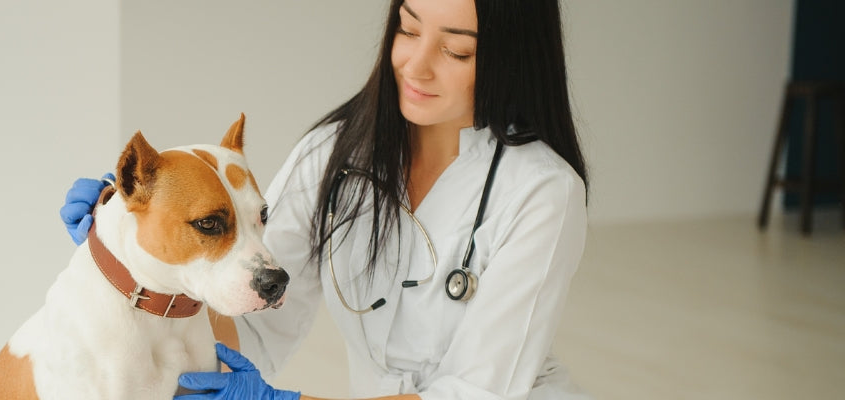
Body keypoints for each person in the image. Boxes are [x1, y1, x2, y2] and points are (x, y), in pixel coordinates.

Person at [61, 0, 591, 399]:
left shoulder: (543, 191)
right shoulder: (334, 153)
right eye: (407, 29)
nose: (416, 65)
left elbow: (477, 392)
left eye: (457, 50)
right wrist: (140, 257)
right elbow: (253, 324)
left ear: (512, 57)